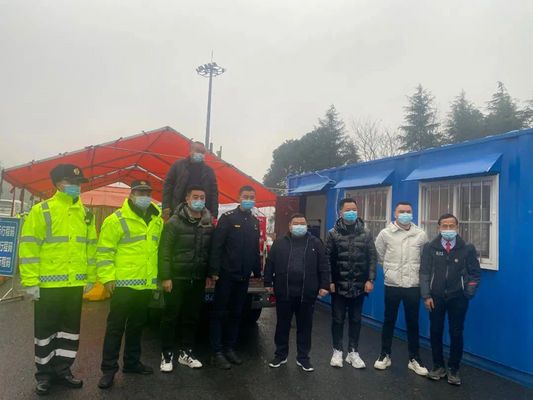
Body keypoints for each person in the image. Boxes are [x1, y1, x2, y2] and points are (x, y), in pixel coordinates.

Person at [19, 164, 97, 396]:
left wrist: (91, 277)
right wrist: (31, 281)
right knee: (46, 331)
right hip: (48, 284)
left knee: (69, 330)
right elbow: (29, 246)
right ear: (57, 184)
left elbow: (90, 247)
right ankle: (44, 375)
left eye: (78, 183)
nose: (75, 187)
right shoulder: (41, 211)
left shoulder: (86, 214)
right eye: (70, 183)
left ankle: (64, 370)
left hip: (74, 283)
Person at [96, 180, 164, 389]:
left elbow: (155, 253)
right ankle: (108, 370)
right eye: (140, 192)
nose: (144, 196)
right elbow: (105, 251)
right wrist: (107, 278)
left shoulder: (156, 220)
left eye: (147, 192)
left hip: (144, 285)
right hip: (122, 285)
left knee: (137, 327)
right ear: (131, 195)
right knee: (115, 328)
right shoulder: (115, 220)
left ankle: (132, 363)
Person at [420, 213, 481, 386]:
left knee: (456, 333)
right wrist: (426, 295)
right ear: (438, 228)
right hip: (435, 298)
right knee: (436, 332)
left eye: (451, 226)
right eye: (444, 226)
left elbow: (475, 273)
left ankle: (454, 368)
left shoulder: (467, 248)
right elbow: (424, 272)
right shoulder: (430, 247)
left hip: (458, 298)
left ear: (457, 227)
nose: (448, 229)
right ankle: (438, 366)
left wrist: (467, 293)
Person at [159, 184, 215, 372]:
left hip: (197, 278)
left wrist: (208, 273)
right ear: (187, 199)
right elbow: (164, 250)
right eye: (195, 197)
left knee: (192, 317)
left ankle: (186, 352)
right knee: (170, 316)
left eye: (202, 197)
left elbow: (209, 250)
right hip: (176, 278)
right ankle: (167, 354)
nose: (199, 200)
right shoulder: (175, 221)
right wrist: (166, 276)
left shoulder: (208, 222)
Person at [264, 213, 329, 372]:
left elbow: (323, 265)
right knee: (282, 325)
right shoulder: (280, 242)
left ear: (306, 226)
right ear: (290, 226)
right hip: (284, 291)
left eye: (302, 223)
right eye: (296, 223)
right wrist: (267, 282)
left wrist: (324, 285)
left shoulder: (315, 243)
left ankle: (303, 358)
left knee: (305, 327)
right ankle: (280, 355)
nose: (299, 226)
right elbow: (270, 263)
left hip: (307, 292)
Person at [373, 202, 429, 376]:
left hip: (413, 285)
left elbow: (424, 258)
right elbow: (379, 256)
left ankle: (414, 359)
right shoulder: (385, 234)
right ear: (394, 214)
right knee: (389, 320)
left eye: (409, 212)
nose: (405, 214)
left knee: (413, 322)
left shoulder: (420, 234)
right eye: (402, 211)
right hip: (393, 284)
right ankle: (385, 355)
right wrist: (390, 271)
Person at [209, 185, 261, 370]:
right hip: (226, 275)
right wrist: (214, 271)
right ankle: (217, 352)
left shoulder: (255, 222)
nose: (249, 199)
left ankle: (230, 348)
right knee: (220, 313)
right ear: (239, 197)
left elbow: (255, 250)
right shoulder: (228, 218)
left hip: (243, 276)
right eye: (246, 196)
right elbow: (217, 246)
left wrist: (259, 272)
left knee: (236, 313)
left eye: (252, 197)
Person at [326, 197, 377, 370]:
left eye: (354, 209)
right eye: (348, 209)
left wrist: (370, 279)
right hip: (338, 285)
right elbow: (327, 260)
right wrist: (329, 281)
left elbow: (372, 257)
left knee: (356, 319)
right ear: (341, 212)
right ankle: (337, 351)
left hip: (359, 285)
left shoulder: (366, 233)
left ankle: (353, 352)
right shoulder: (332, 233)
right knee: (338, 319)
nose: (351, 212)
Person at [162, 141, 219, 219]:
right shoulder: (177, 166)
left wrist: (214, 213)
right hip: (179, 209)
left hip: (202, 212)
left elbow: (214, 193)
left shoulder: (208, 171)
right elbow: (168, 187)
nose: (200, 154)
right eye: (197, 151)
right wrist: (166, 206)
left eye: (203, 152)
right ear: (190, 151)